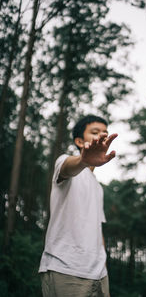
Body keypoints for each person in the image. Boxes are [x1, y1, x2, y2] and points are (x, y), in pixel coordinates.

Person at [39, 114, 118, 297]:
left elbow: (98, 230)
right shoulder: (65, 161)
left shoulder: (98, 187)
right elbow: (68, 168)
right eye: (95, 132)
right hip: (66, 269)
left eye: (105, 132)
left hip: (100, 275)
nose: (102, 135)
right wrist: (83, 160)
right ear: (79, 141)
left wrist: (104, 268)